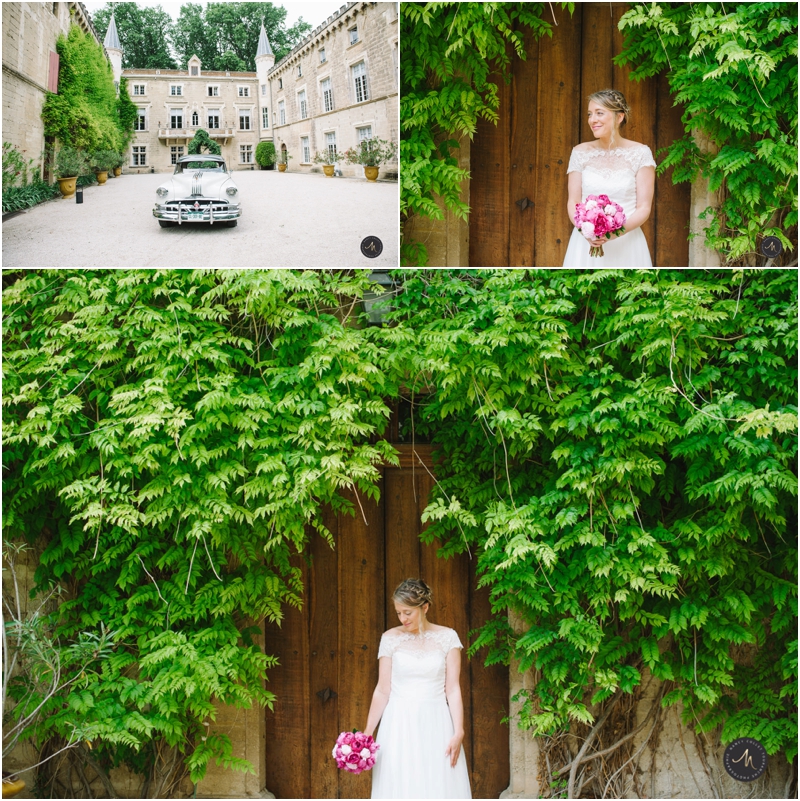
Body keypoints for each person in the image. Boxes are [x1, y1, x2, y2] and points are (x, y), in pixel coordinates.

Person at [365, 579, 471, 799]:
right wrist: (367, 732)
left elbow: (453, 689)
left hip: (436, 721)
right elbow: (383, 690)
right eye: (398, 613)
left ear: (425, 608)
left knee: (438, 783)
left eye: (407, 613)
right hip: (398, 722)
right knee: (400, 784)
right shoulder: (389, 638)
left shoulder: (448, 638)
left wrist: (458, 730)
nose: (402, 619)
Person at [562, 89, 656, 267]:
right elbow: (573, 200)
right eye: (590, 114)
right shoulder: (580, 152)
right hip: (586, 242)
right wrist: (585, 231)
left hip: (627, 242)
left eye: (599, 113)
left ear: (619, 117)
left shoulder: (640, 153)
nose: (592, 120)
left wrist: (615, 233)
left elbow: (644, 207)